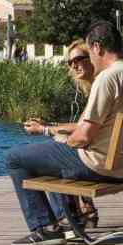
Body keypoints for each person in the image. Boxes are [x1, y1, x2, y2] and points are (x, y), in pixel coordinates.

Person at [6, 21, 123, 245]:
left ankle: (45, 228)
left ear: (96, 47)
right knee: (50, 153)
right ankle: (70, 221)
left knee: (15, 158)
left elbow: (84, 137)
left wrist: (63, 138)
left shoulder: (109, 78)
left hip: (103, 166)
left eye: (88, 53)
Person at [23, 39, 102, 230]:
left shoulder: (101, 87)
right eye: (69, 62)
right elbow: (81, 125)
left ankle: (66, 218)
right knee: (57, 147)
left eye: (78, 59)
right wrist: (51, 125)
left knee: (44, 160)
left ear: (92, 57)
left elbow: (82, 132)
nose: (73, 65)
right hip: (119, 159)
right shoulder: (97, 86)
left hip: (100, 163)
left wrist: (43, 130)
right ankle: (79, 211)